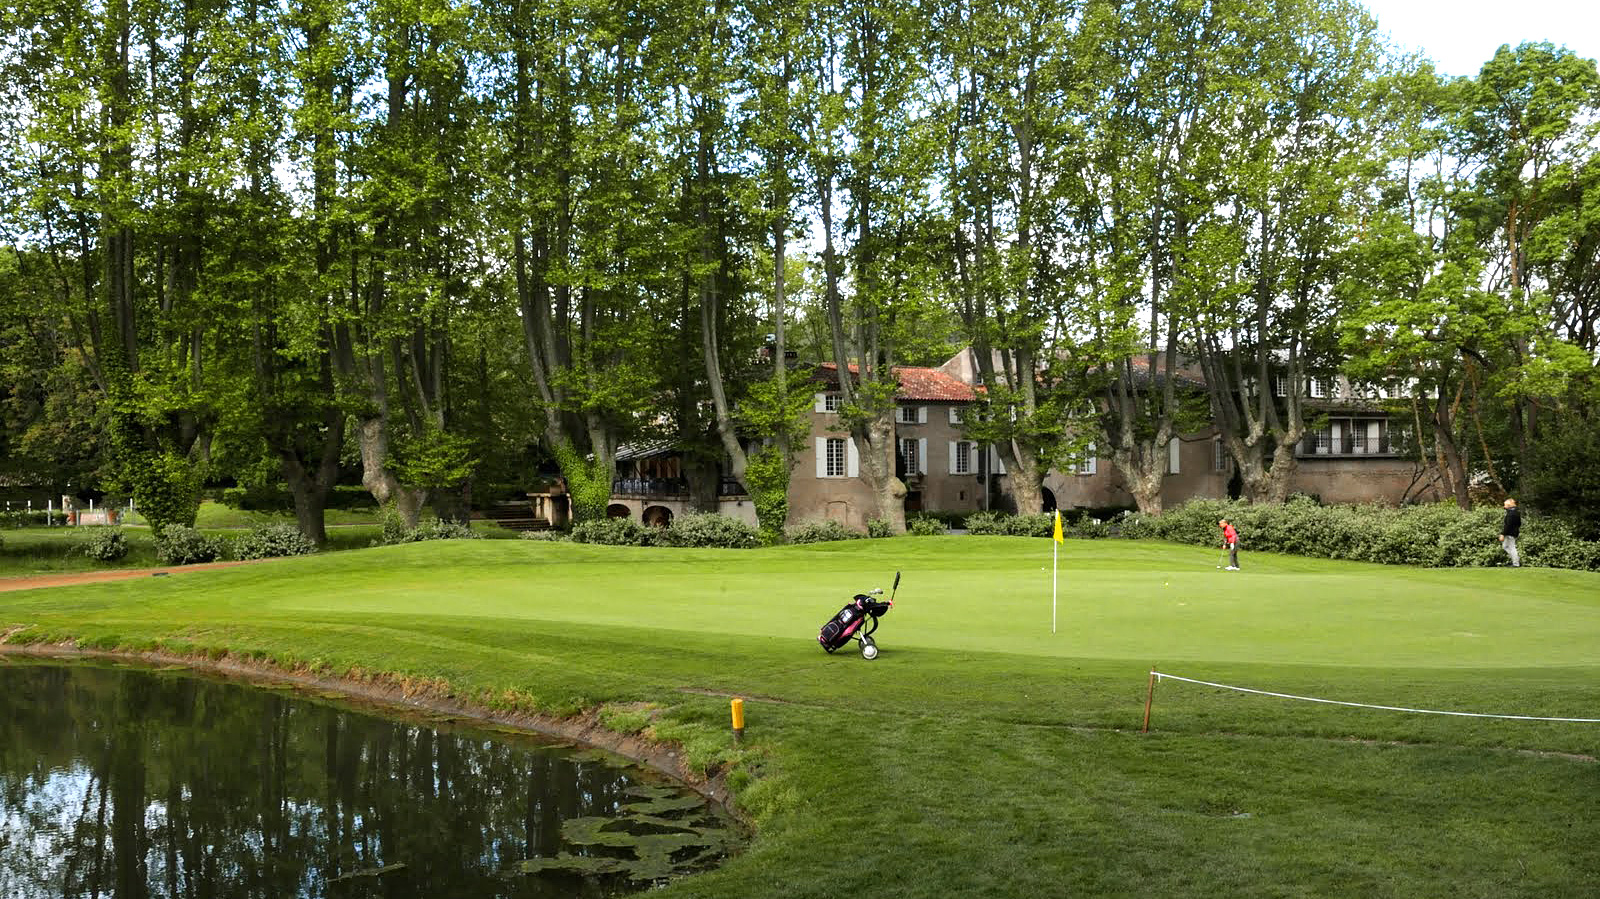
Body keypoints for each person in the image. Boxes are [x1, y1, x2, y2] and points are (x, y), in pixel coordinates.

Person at [1499, 498, 1521, 568]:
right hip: (1513, 532)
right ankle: (1515, 558)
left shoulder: (1511, 513)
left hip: (1510, 533)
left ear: (1509, 505)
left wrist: (1502, 534)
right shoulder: (1516, 512)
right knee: (1505, 546)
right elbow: (1519, 523)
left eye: (1505, 505)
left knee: (1511, 547)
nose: (1504, 507)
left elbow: (1508, 525)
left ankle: (1516, 563)